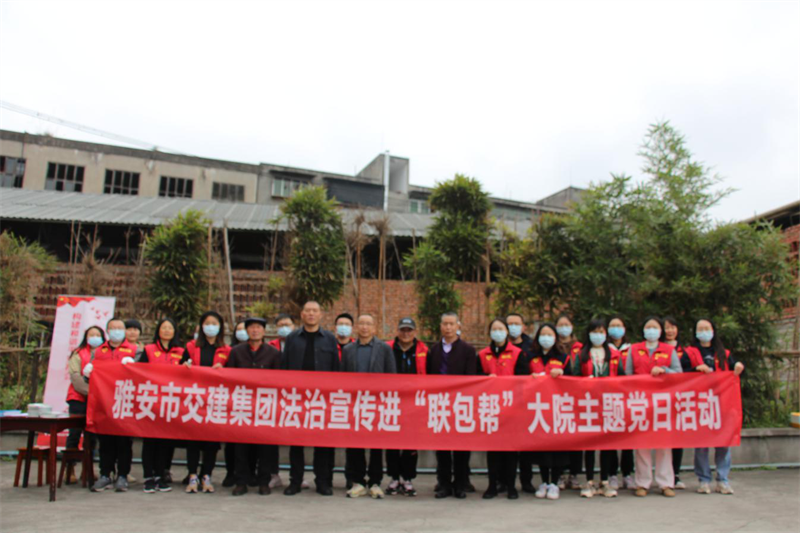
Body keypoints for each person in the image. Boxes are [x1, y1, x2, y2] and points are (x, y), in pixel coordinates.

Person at [282, 301, 340, 496]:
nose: (311, 314)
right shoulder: (292, 338)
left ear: (320, 315)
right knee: (296, 442)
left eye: (315, 311)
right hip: (297, 398)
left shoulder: (329, 339)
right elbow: (284, 366)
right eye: (308, 310)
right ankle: (295, 481)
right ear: (302, 314)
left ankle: (322, 481)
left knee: (321, 441)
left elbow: (335, 368)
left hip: (322, 399)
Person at [684, 318, 745, 495]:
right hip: (700, 403)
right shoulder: (690, 353)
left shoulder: (723, 353)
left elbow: (734, 368)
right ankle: (704, 480)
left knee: (723, 443)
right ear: (695, 333)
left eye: (707, 328)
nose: (704, 332)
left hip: (722, 403)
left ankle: (722, 479)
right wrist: (696, 370)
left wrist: (738, 366)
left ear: (713, 330)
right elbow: (681, 374)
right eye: (700, 329)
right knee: (701, 444)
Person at [625, 316, 682, 497]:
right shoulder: (634, 349)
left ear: (660, 331)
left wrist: (665, 370)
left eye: (655, 327)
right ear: (643, 330)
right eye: (648, 327)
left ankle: (666, 483)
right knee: (642, 444)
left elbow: (679, 373)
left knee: (663, 444)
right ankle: (643, 483)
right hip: (640, 401)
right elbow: (627, 375)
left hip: (662, 402)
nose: (651, 331)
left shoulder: (668, 350)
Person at [341, 314, 397, 499]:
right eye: (362, 323)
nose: (365, 327)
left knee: (376, 445)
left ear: (374, 327)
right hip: (355, 404)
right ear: (357, 327)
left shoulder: (384, 348)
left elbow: (391, 375)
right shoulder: (348, 350)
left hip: (376, 403)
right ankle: (357, 481)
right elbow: (342, 377)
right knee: (354, 444)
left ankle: (375, 482)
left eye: (368, 324)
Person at [227, 316, 282, 496]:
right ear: (246, 331)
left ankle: (263, 481)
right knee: (241, 447)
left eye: (258, 327)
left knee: (264, 446)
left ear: (264, 331)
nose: (255, 330)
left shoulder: (273, 353)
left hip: (264, 406)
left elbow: (279, 380)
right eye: (251, 327)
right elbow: (229, 376)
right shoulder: (236, 352)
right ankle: (241, 481)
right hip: (242, 405)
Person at [426, 312, 477, 499]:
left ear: (458, 326)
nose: (448, 327)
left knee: (461, 447)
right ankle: (444, 483)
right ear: (440, 326)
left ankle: (461, 483)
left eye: (451, 324)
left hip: (461, 404)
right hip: (440, 404)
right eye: (445, 324)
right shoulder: (434, 350)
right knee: (442, 447)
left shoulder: (468, 350)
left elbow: (471, 377)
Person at [478, 318, 527, 500]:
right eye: (494, 329)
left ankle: (511, 486)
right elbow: (475, 378)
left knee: (511, 450)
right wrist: (485, 378)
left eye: (500, 329)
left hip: (512, 408)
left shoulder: (517, 353)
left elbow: (523, 379)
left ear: (506, 332)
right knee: (493, 450)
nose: (497, 332)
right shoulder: (482, 354)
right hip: (491, 408)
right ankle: (492, 485)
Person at [571, 318, 621, 498]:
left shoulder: (613, 354)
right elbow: (574, 377)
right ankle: (589, 480)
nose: (598, 335)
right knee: (590, 444)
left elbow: (622, 377)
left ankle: (605, 481)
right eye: (594, 332)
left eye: (601, 332)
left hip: (608, 403)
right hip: (589, 404)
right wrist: (585, 382)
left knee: (606, 444)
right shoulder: (582, 355)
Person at [182, 311, 230, 494]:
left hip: (215, 401)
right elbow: (178, 368)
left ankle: (206, 475)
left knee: (211, 441)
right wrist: (184, 367)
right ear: (201, 326)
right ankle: (192, 475)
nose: (211, 327)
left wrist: (223, 370)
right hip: (194, 399)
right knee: (193, 440)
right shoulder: (191, 347)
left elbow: (234, 374)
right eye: (207, 323)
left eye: (214, 323)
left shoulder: (227, 350)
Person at [135, 318, 185, 494]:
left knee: (165, 442)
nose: (167, 330)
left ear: (174, 331)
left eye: (170, 328)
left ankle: (160, 475)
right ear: (158, 330)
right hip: (151, 401)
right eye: (163, 327)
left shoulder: (181, 352)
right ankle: (148, 477)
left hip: (170, 403)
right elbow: (139, 371)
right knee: (150, 441)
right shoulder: (149, 350)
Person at [89, 317, 137, 492]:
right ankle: (105, 474)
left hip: (125, 400)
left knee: (124, 441)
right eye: (113, 328)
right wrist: (88, 372)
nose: (116, 331)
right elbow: (92, 374)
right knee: (105, 440)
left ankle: (123, 475)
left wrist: (135, 366)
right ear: (108, 331)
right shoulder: (98, 351)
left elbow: (144, 374)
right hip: (104, 400)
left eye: (120, 328)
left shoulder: (134, 350)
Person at [384, 317, 427, 497]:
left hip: (414, 402)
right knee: (392, 442)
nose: (406, 333)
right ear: (398, 331)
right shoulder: (387, 348)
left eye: (409, 330)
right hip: (392, 401)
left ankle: (407, 478)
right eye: (403, 330)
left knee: (411, 442)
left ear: (415, 332)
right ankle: (394, 477)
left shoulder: (423, 350)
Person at [529, 322, 571, 500]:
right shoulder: (531, 357)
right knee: (542, 448)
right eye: (543, 335)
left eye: (550, 335)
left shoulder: (563, 358)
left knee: (557, 447)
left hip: (557, 408)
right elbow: (520, 377)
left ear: (555, 338)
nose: (546, 338)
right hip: (538, 409)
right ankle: (544, 481)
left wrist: (561, 374)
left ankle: (554, 482)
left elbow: (572, 380)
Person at [64, 325, 105, 484]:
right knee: (74, 434)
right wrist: (93, 392)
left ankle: (87, 469)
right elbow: (76, 378)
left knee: (92, 436)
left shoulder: (105, 353)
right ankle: (70, 469)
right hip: (78, 398)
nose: (94, 337)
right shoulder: (78, 353)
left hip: (97, 400)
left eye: (97, 334)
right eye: (91, 334)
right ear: (86, 337)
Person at [506, 312, 536, 493]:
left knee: (526, 445)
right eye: (509, 324)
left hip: (527, 401)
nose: (513, 327)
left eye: (516, 324)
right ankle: (504, 481)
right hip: (505, 402)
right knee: (506, 445)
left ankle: (526, 481)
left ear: (523, 327)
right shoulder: (500, 345)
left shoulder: (531, 346)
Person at [555, 314, 583, 490]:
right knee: (559, 437)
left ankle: (574, 473)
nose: (564, 327)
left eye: (567, 324)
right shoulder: (553, 347)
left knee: (576, 438)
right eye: (560, 324)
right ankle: (559, 473)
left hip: (576, 397)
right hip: (556, 397)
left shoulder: (579, 348)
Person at [607, 315, 634, 490]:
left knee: (627, 439)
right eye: (613, 325)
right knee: (610, 438)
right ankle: (611, 474)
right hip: (608, 398)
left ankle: (627, 473)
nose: (616, 328)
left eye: (619, 325)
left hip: (628, 397)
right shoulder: (604, 349)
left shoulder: (632, 349)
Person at [664, 316, 690, 490]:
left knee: (677, 436)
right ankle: (663, 475)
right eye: (666, 327)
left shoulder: (685, 351)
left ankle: (675, 474)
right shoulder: (658, 349)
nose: (670, 330)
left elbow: (689, 372)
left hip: (679, 397)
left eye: (673, 327)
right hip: (659, 399)